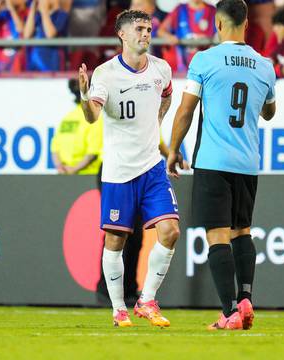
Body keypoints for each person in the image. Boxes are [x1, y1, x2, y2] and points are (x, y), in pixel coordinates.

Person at [167, 0, 276, 330]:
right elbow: (269, 112)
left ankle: (229, 311)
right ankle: (245, 299)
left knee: (217, 235)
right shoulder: (264, 65)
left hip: (213, 161)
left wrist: (173, 149)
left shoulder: (204, 60)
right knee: (242, 231)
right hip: (247, 162)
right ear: (247, 25)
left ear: (217, 24)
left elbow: (186, 110)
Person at [78, 9, 180, 328]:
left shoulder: (161, 69)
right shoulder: (106, 74)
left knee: (171, 231)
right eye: (139, 29)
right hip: (119, 172)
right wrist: (84, 96)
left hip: (152, 168)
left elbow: (166, 96)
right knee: (115, 242)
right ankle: (118, 308)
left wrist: (159, 121)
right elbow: (93, 115)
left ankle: (147, 300)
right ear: (122, 34)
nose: (146, 34)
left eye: (149, 29)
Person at [52, 79, 103, 175]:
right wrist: (74, 169)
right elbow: (93, 153)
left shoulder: (67, 118)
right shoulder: (95, 118)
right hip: (88, 177)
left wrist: (60, 168)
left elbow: (55, 148)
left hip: (65, 175)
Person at [158, 0, 216, 72]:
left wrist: (208, 40)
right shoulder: (179, 9)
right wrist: (169, 37)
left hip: (206, 68)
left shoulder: (213, 11)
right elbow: (161, 31)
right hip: (181, 69)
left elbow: (221, 35)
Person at [0, 0, 28, 73]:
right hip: (1, 61)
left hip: (18, 60)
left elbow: (21, 29)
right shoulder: (3, 15)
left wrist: (12, 9)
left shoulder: (25, 13)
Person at [23, 0, 69, 71]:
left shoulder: (61, 15)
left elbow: (50, 34)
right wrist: (32, 11)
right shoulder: (36, 16)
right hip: (34, 64)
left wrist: (44, 11)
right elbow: (26, 35)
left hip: (52, 65)